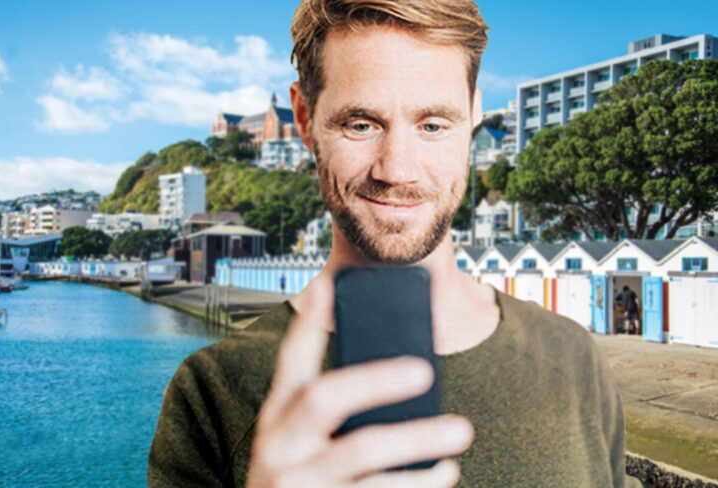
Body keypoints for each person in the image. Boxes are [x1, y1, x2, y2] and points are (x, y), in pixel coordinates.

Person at [148, 1, 641, 486]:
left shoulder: (573, 357)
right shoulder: (210, 392)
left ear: (474, 114)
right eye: (361, 124)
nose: (397, 170)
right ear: (304, 116)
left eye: (433, 125)